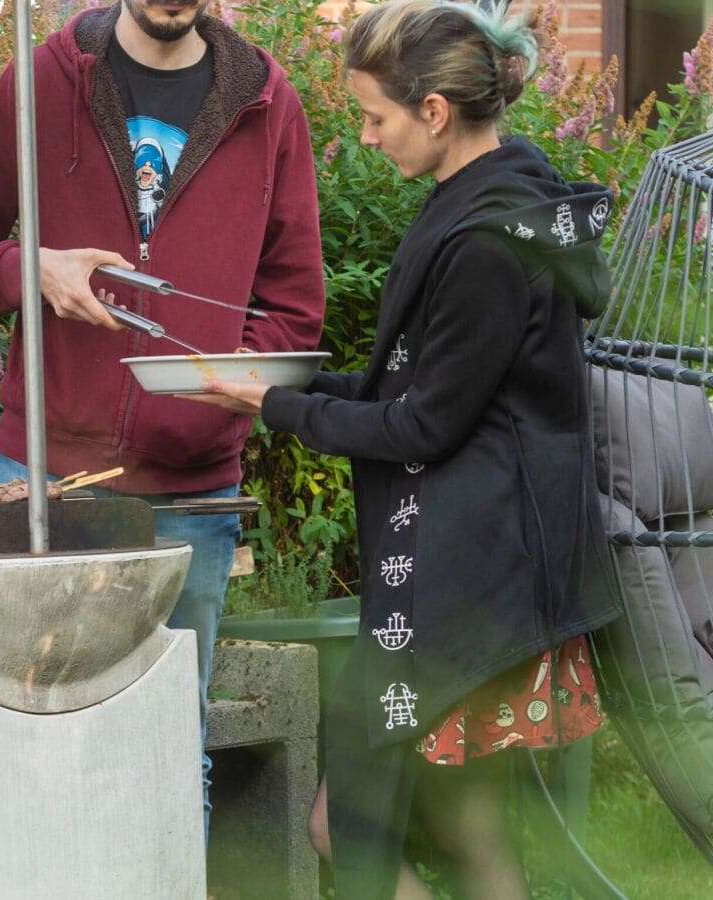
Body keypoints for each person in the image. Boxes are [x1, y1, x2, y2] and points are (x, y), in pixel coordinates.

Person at [189, 1, 623, 896]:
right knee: (464, 824)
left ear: (433, 111)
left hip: (475, 580)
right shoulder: (496, 201)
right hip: (482, 566)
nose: (366, 136)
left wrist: (278, 407)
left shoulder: (490, 243)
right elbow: (419, 389)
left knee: (342, 819)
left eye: (374, 116)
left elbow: (425, 426)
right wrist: (281, 385)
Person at [0, 0, 326, 835]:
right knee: (28, 750)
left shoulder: (267, 101)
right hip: (40, 485)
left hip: (191, 497)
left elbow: (294, 309)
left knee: (169, 758)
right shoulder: (39, 81)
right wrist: (35, 266)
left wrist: (222, 383)